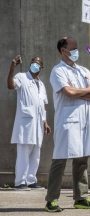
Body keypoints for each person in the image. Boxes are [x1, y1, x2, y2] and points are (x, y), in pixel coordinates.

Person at [45, 37, 90, 212]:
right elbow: (68, 92)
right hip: (67, 121)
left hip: (84, 120)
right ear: (63, 50)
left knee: (82, 160)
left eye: (77, 48)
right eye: (73, 48)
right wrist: (83, 91)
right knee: (60, 159)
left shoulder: (84, 70)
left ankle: (81, 198)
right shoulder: (58, 71)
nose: (76, 52)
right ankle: (52, 199)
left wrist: (80, 92)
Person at [8, 55, 51, 191]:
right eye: (33, 62)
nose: (35, 65)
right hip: (25, 123)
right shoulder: (22, 77)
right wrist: (12, 68)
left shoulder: (41, 84)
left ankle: (31, 180)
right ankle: (19, 182)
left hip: (38, 123)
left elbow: (43, 105)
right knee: (23, 154)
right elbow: (11, 86)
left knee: (35, 154)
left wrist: (45, 123)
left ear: (42, 68)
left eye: (38, 63)